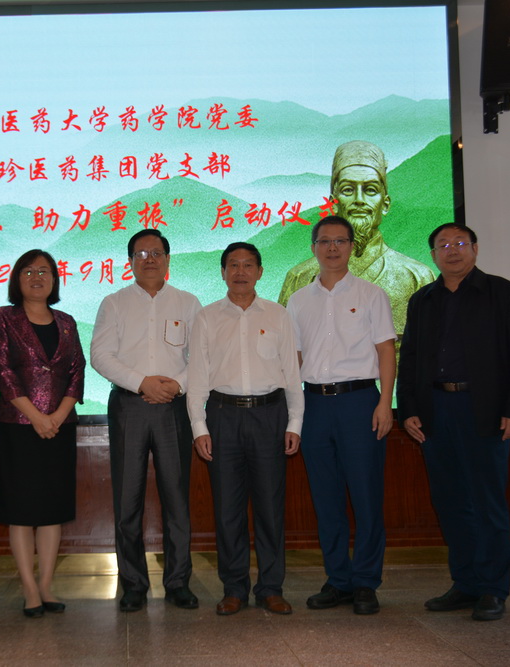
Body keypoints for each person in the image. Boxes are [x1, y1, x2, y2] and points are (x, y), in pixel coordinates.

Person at [397, 223, 510, 622]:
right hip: (436, 411)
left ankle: (492, 588)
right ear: (433, 255)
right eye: (443, 245)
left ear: (475, 248)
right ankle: (466, 583)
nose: (452, 250)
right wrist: (408, 408)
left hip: (484, 409)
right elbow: (410, 359)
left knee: (487, 502)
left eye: (460, 243)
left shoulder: (500, 292)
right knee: (451, 501)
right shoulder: (423, 299)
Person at [287, 216, 396, 615]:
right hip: (314, 404)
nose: (332, 248)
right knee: (326, 497)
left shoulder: (372, 294)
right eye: (324, 241)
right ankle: (338, 579)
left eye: (340, 241)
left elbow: (386, 350)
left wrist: (385, 403)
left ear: (352, 246)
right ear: (313, 248)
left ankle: (365, 581)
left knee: (366, 496)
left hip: (359, 402)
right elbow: (295, 359)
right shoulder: (298, 300)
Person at [187, 242, 304, 616]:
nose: (240, 271)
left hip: (270, 416)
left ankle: (271, 587)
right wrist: (199, 427)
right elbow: (197, 376)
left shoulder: (278, 314)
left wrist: (295, 422)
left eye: (248, 265)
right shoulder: (206, 317)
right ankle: (234, 588)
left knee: (270, 507)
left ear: (260, 271)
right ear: (223, 272)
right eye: (233, 265)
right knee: (228, 509)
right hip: (223, 417)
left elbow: (292, 374)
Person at [90, 229, 202, 613]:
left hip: (174, 407)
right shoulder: (114, 303)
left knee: (177, 498)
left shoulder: (188, 302)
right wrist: (142, 383)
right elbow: (100, 356)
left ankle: (178, 582)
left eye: (156, 253)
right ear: (130, 262)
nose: (149, 259)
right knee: (128, 499)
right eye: (141, 253)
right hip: (129, 406)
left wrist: (176, 385)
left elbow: (202, 356)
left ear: (168, 260)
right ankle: (134, 584)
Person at [0, 249, 85, 618]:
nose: (37, 277)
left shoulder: (66, 322)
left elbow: (76, 370)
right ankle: (29, 589)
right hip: (19, 426)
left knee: (51, 511)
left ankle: (46, 585)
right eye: (28, 271)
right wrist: (36, 417)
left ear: (55, 280)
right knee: (21, 511)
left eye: (44, 271)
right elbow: (3, 371)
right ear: (17, 278)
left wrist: (57, 416)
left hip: (59, 427)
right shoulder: (3, 317)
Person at [278, 140, 435, 336]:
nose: (359, 200)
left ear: (385, 203)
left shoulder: (417, 277)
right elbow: (284, 346)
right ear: (333, 203)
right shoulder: (300, 277)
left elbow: (431, 346)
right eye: (348, 190)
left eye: (370, 190)